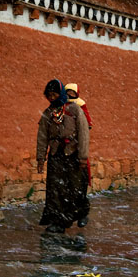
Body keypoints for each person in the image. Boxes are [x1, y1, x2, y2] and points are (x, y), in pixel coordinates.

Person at [36, 79, 91, 233]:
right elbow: (42, 136)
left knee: (75, 188)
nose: (52, 98)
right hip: (56, 155)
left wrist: (83, 156)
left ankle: (81, 213)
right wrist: (41, 158)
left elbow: (83, 133)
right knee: (55, 188)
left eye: (54, 94)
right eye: (49, 95)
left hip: (73, 154)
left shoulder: (74, 110)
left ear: (60, 93)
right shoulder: (48, 113)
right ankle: (58, 221)